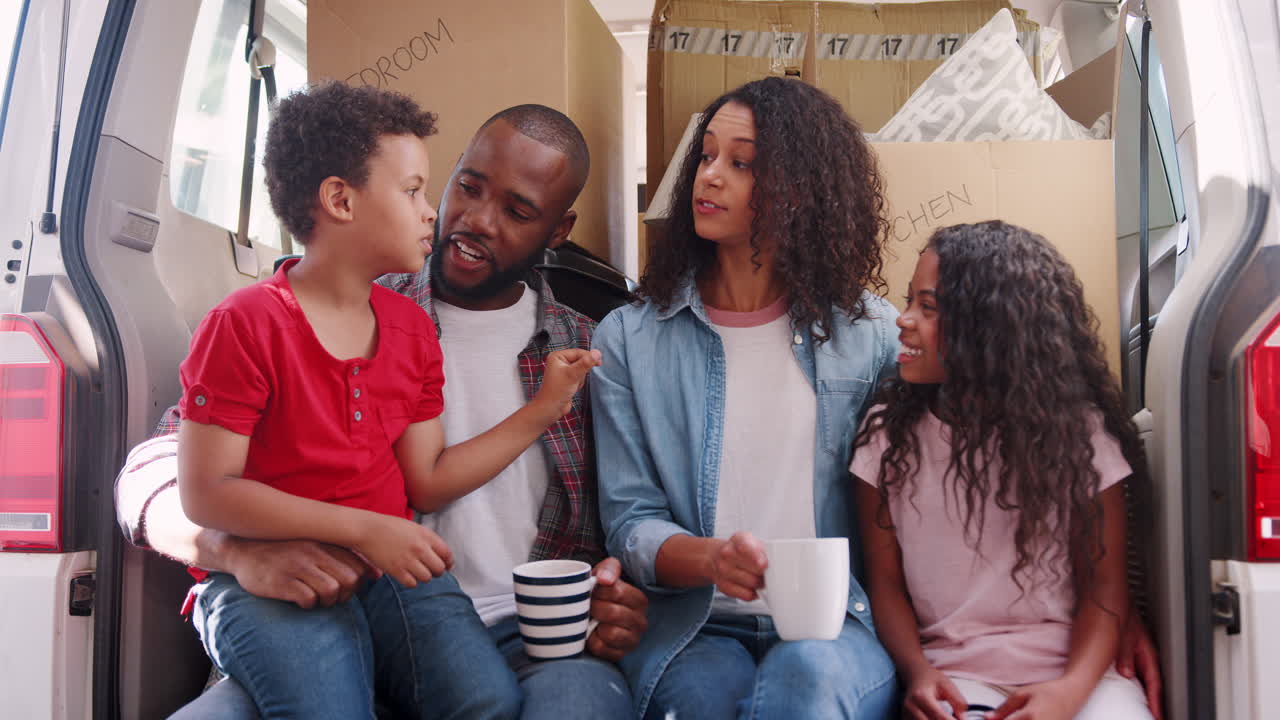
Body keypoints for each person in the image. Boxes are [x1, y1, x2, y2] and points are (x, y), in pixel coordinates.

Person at [115, 103, 646, 720]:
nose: (470, 220)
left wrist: (619, 587)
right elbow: (157, 473)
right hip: (303, 599)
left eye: (517, 211)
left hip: (505, 629)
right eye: (464, 187)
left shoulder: (592, 352)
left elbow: (636, 516)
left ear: (559, 230)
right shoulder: (287, 312)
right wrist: (235, 552)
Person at [591, 77, 901, 720]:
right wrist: (711, 559)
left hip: (833, 622)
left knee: (805, 685)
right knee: (701, 700)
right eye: (705, 156)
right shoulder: (627, 339)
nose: (709, 178)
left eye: (742, 164)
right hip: (694, 627)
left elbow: (916, 505)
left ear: (801, 189)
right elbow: (629, 518)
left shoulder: (871, 335)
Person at [852, 221, 1156, 720]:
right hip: (955, 677)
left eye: (928, 308)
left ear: (988, 328)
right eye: (910, 302)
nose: (903, 321)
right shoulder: (887, 438)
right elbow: (885, 585)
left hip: (1078, 673)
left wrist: (1068, 692)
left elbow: (1104, 588)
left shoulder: (1078, 435)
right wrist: (918, 673)